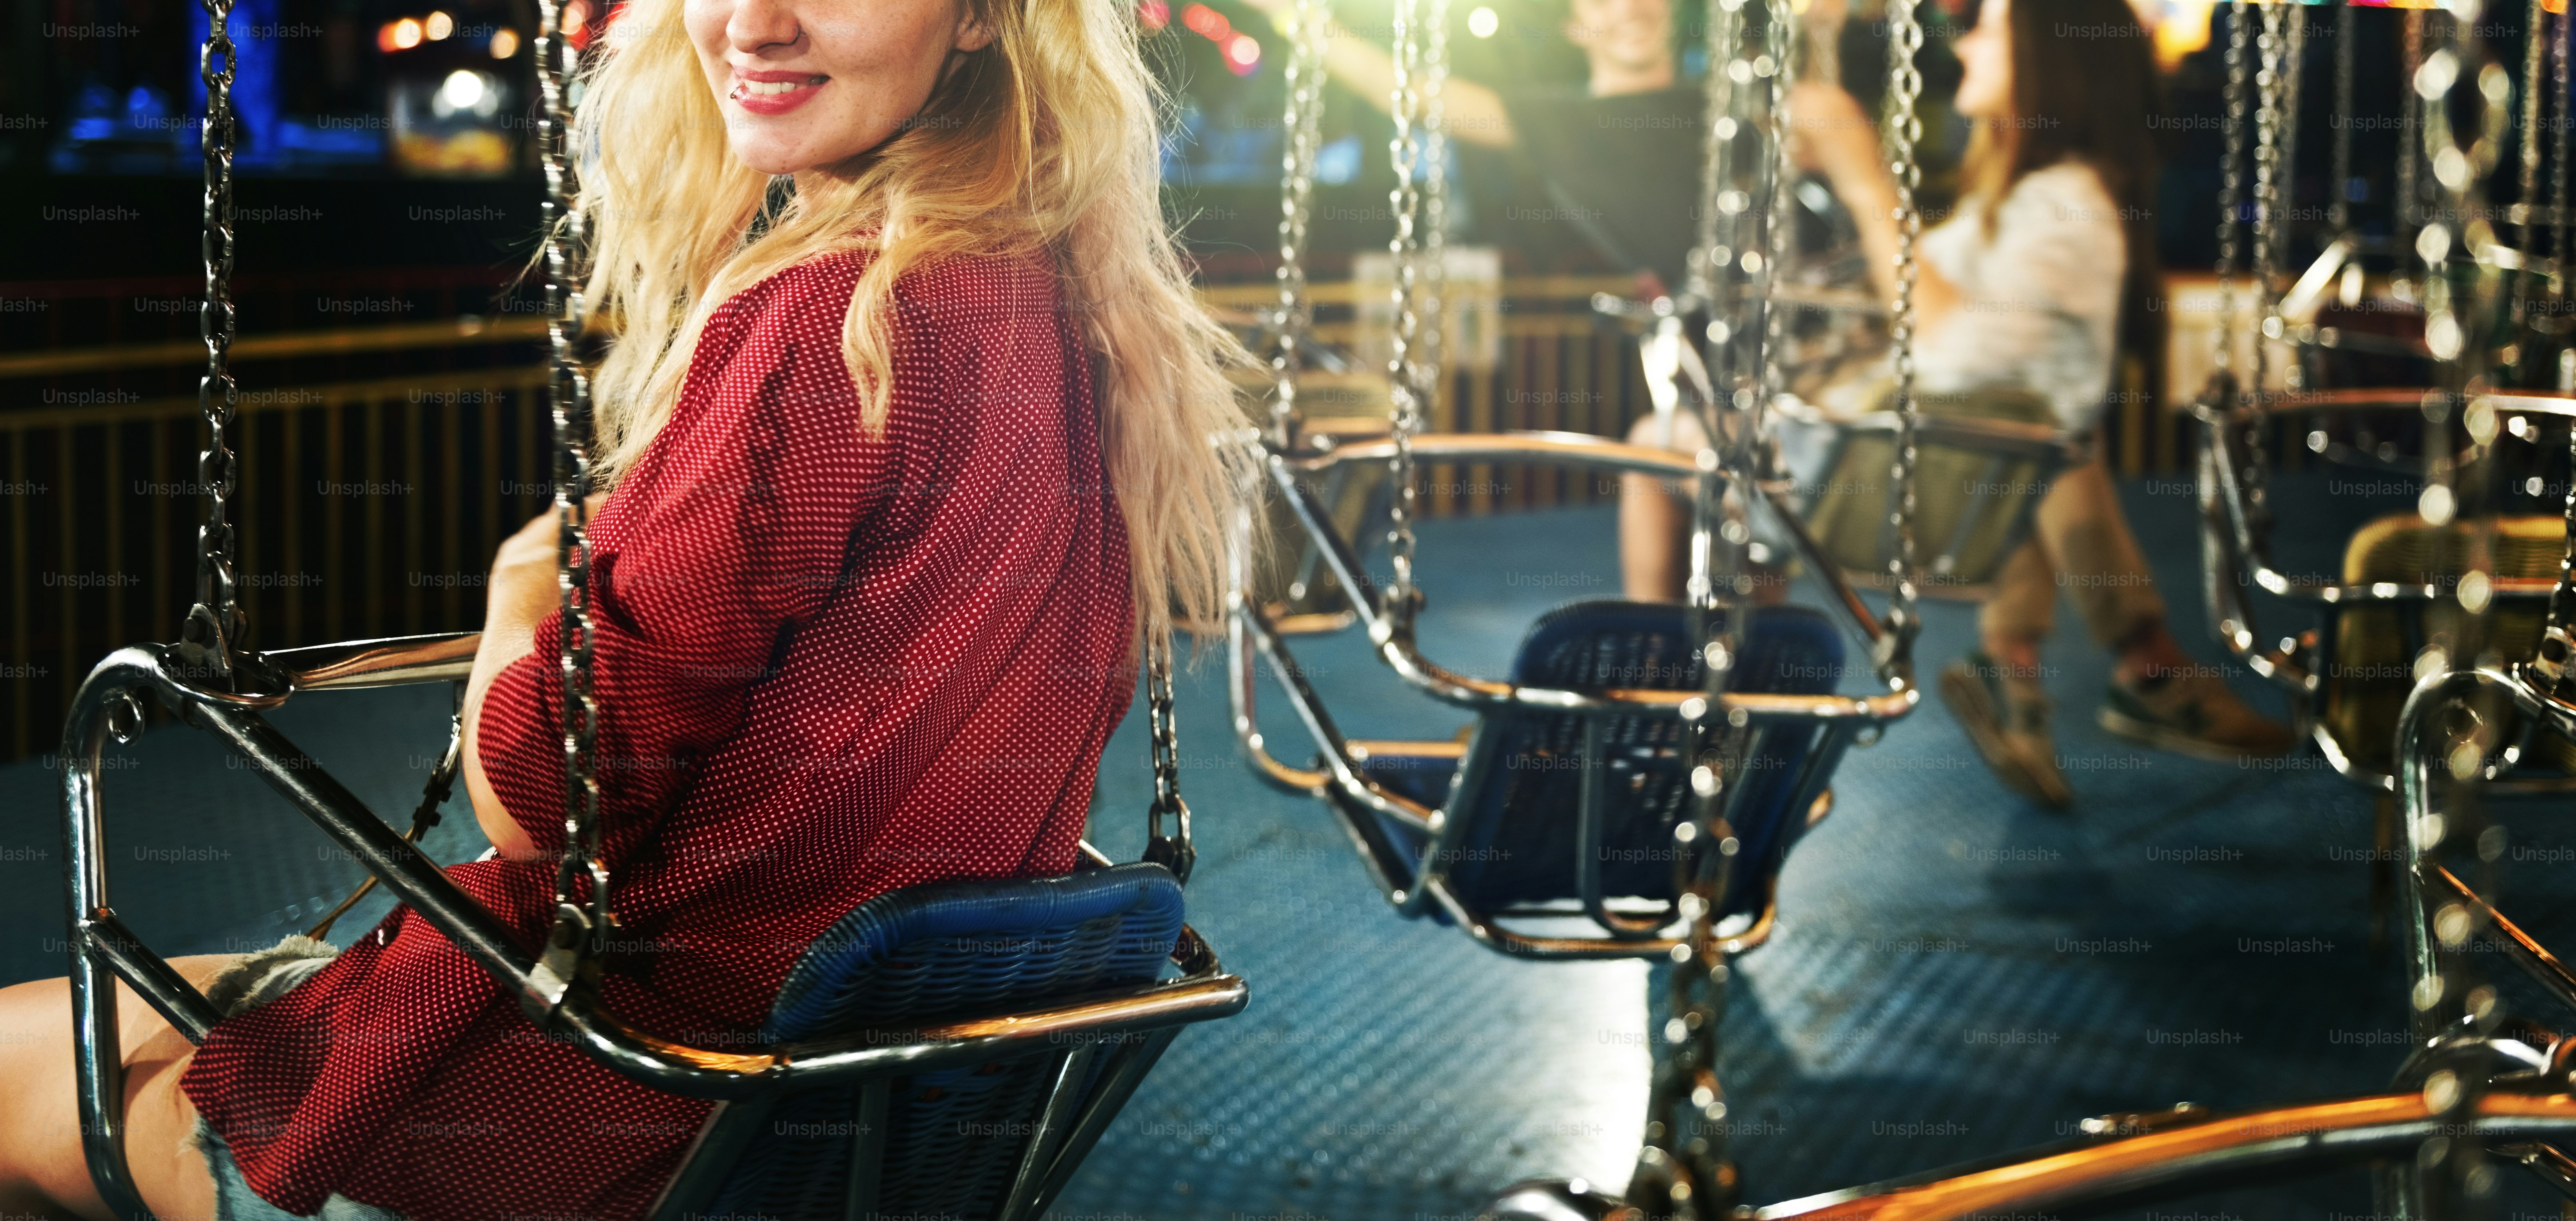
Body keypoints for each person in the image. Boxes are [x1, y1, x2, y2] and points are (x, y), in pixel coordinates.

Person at [0, 0, 1250, 1212]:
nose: (753, 23)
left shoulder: (832, 321)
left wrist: (519, 590)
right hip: (838, 1118)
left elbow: (540, 798)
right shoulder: (1067, 306)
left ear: (981, 15)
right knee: (106, 1024)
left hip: (606, 1115)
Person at [1618, 0, 2290, 808]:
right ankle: (2020, 666)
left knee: (1650, 445)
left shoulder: (2064, 206)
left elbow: (1948, 344)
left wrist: (1864, 173)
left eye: (1988, 29)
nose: (1965, 42)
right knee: (1691, 453)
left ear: (2047, 64)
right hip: (1925, 458)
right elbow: (1911, 291)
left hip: (1904, 474)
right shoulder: (2011, 204)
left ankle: (1656, 698)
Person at [1243, 0, 1706, 291]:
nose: (1629, 8)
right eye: (1603, 3)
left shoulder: (1726, 106)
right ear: (1574, 26)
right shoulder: (1563, 125)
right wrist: (1292, 14)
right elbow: (1413, 94)